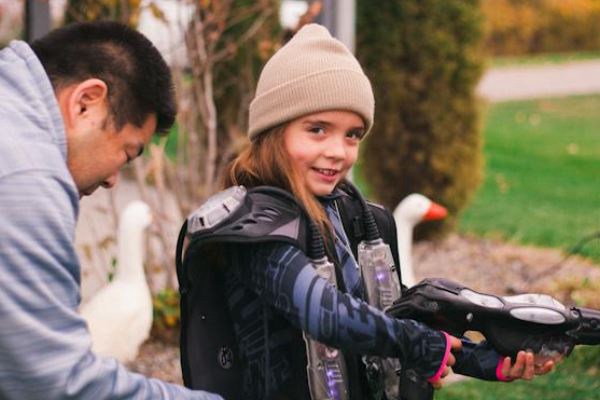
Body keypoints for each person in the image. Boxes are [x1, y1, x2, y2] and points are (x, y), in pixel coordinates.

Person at [180, 24, 556, 400]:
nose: (338, 151)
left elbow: (385, 315)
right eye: (317, 129)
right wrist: (421, 344)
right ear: (273, 131)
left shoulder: (357, 218)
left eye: (352, 134)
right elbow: (324, 312)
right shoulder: (251, 230)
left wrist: (487, 360)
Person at [0, 21, 222, 399]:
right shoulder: (28, 176)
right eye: (127, 152)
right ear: (86, 102)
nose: (113, 181)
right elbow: (54, 383)